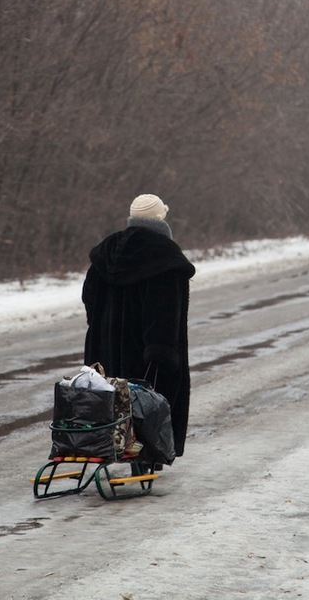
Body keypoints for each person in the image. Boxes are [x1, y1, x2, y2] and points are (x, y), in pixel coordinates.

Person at [82, 194, 196, 458]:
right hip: (147, 354)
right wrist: (162, 354)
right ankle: (149, 454)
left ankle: (110, 447)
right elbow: (165, 312)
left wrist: (101, 328)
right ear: (160, 218)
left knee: (110, 401)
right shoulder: (166, 257)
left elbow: (89, 298)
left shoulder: (106, 252)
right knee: (147, 405)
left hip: (103, 349)